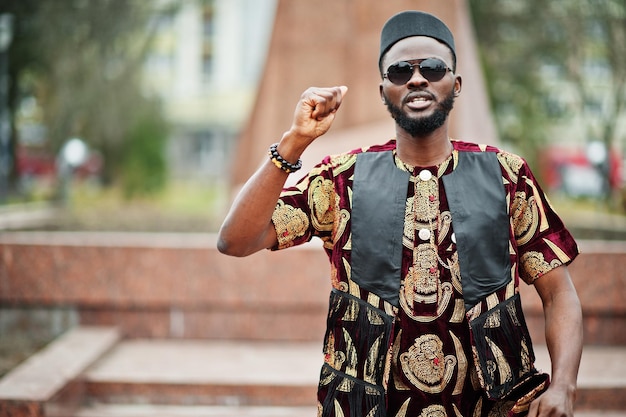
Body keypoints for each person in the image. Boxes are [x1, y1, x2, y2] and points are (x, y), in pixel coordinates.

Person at [218, 10, 583, 417]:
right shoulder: (340, 181)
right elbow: (235, 240)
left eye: (432, 67)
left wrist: (564, 386)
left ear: (455, 84)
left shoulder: (506, 175)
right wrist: (293, 143)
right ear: (383, 91)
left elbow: (558, 293)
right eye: (399, 71)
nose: (416, 78)